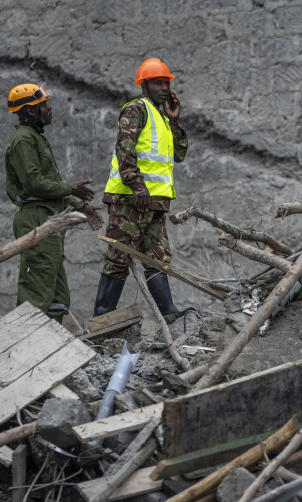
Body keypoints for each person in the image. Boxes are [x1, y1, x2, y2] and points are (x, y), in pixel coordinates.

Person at [92, 57, 192, 322]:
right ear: (144, 85)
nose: (164, 88)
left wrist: (175, 121)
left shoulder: (161, 117)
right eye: (158, 82)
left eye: (166, 82)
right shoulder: (136, 109)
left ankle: (169, 313)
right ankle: (102, 318)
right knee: (119, 258)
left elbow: (179, 155)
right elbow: (124, 153)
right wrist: (138, 188)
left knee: (157, 258)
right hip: (131, 200)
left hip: (155, 203)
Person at [5, 83, 103, 322]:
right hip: (36, 218)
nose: (49, 110)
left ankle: (53, 347)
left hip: (48, 216)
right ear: (29, 111)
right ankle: (27, 345)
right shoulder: (24, 141)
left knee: (57, 292)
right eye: (44, 105)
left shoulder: (35, 138)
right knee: (36, 289)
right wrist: (72, 189)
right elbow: (34, 184)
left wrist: (81, 206)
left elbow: (49, 187)